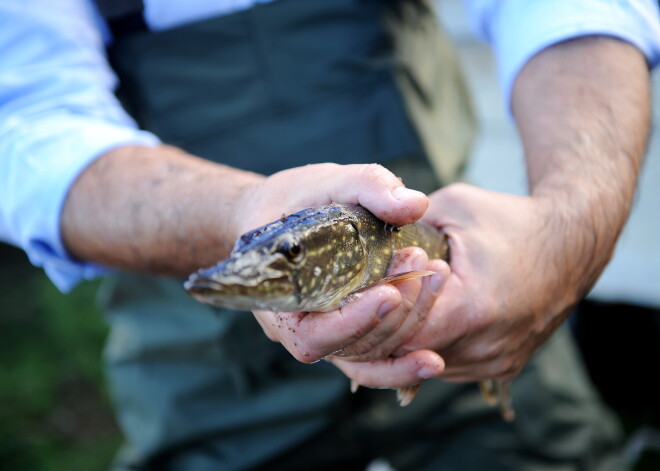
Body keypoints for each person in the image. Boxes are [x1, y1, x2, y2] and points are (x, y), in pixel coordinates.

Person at [1, 0, 659, 469]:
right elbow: (26, 123)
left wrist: (568, 229)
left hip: (475, 310)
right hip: (207, 381)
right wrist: (245, 211)